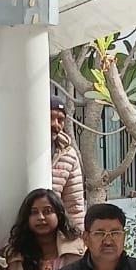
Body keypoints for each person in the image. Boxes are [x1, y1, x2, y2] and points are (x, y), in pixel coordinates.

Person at [50, 96, 86, 230]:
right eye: (50, 117)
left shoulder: (68, 155)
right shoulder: (19, 149)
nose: (55, 124)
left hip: (53, 232)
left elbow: (74, 207)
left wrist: (78, 237)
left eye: (60, 120)